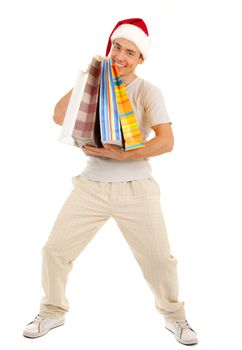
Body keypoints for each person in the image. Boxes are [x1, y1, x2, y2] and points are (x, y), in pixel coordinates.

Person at [23, 18, 198, 346]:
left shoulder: (147, 91)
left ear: (140, 59)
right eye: (117, 46)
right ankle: (52, 310)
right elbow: (60, 116)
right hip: (91, 186)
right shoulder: (94, 84)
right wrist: (89, 78)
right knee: (54, 251)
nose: (121, 55)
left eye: (130, 51)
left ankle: (175, 317)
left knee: (160, 262)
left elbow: (166, 141)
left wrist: (123, 156)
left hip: (137, 186)